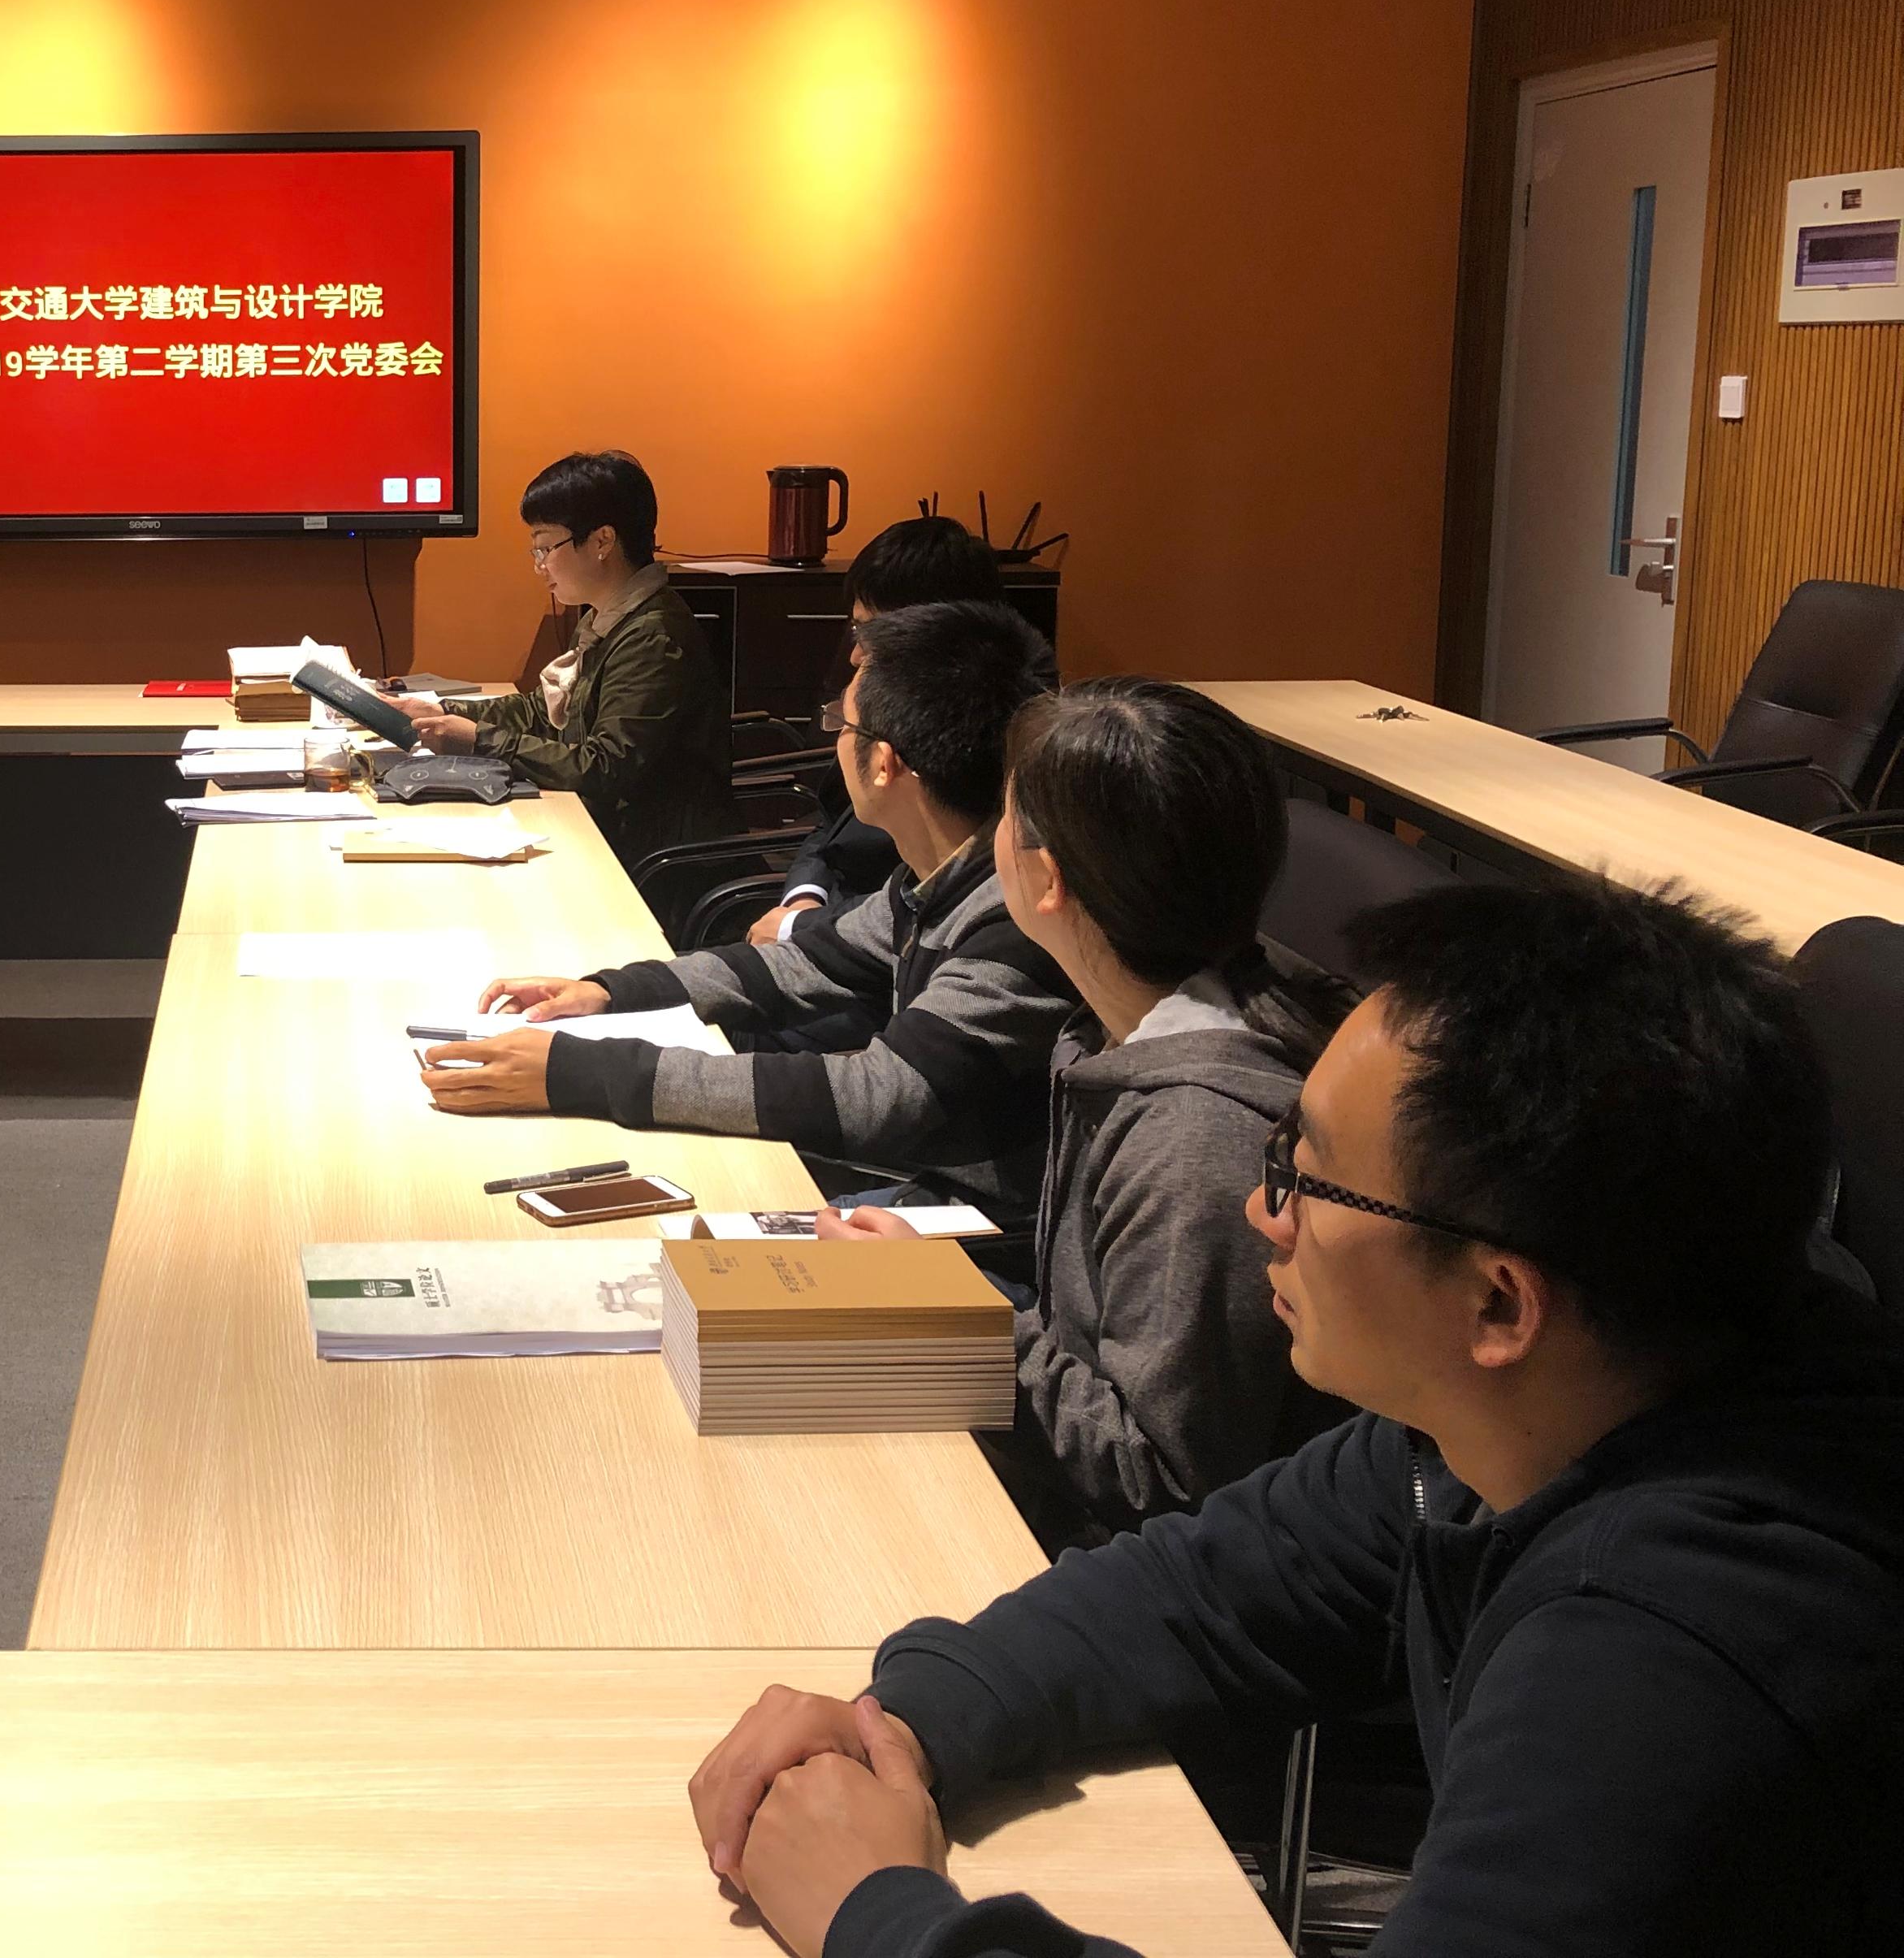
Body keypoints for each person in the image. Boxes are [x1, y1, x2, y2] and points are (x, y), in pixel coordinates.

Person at [686, 877, 1904, 1958]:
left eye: (1308, 1177)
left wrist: (881, 1915)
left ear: (1498, 1302)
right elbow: (1219, 1584)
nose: (1265, 1213)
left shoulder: (1666, 1664)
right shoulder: (1529, 1408)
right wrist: (902, 1721)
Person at [819, 678, 1348, 1542]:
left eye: (1005, 815)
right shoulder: (1128, 1026)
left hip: (1112, 1559)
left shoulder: (1196, 1143)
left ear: (1046, 878)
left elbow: (1161, 1481)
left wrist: (945, 1316)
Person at [421, 601, 1072, 1233]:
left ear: (883, 764)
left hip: (978, 1232)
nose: (835, 740)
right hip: (922, 1194)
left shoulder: (1014, 920)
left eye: (841, 724)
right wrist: (612, 992)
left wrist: (582, 1073)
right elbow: (799, 964)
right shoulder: (935, 879)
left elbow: (883, 1094)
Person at [391, 451, 734, 865]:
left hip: (653, 860)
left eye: (545, 548)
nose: (539, 566)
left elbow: (604, 768)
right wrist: (441, 710)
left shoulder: (652, 638)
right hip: (606, 831)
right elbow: (543, 711)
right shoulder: (606, 618)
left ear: (602, 541)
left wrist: (479, 739)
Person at [745, 517, 1013, 949]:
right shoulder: (879, 698)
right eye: (856, 630)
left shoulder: (980, 743)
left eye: (873, 634)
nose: (855, 655)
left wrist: (800, 928)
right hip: (837, 924)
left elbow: (929, 905)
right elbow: (831, 822)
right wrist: (803, 897)